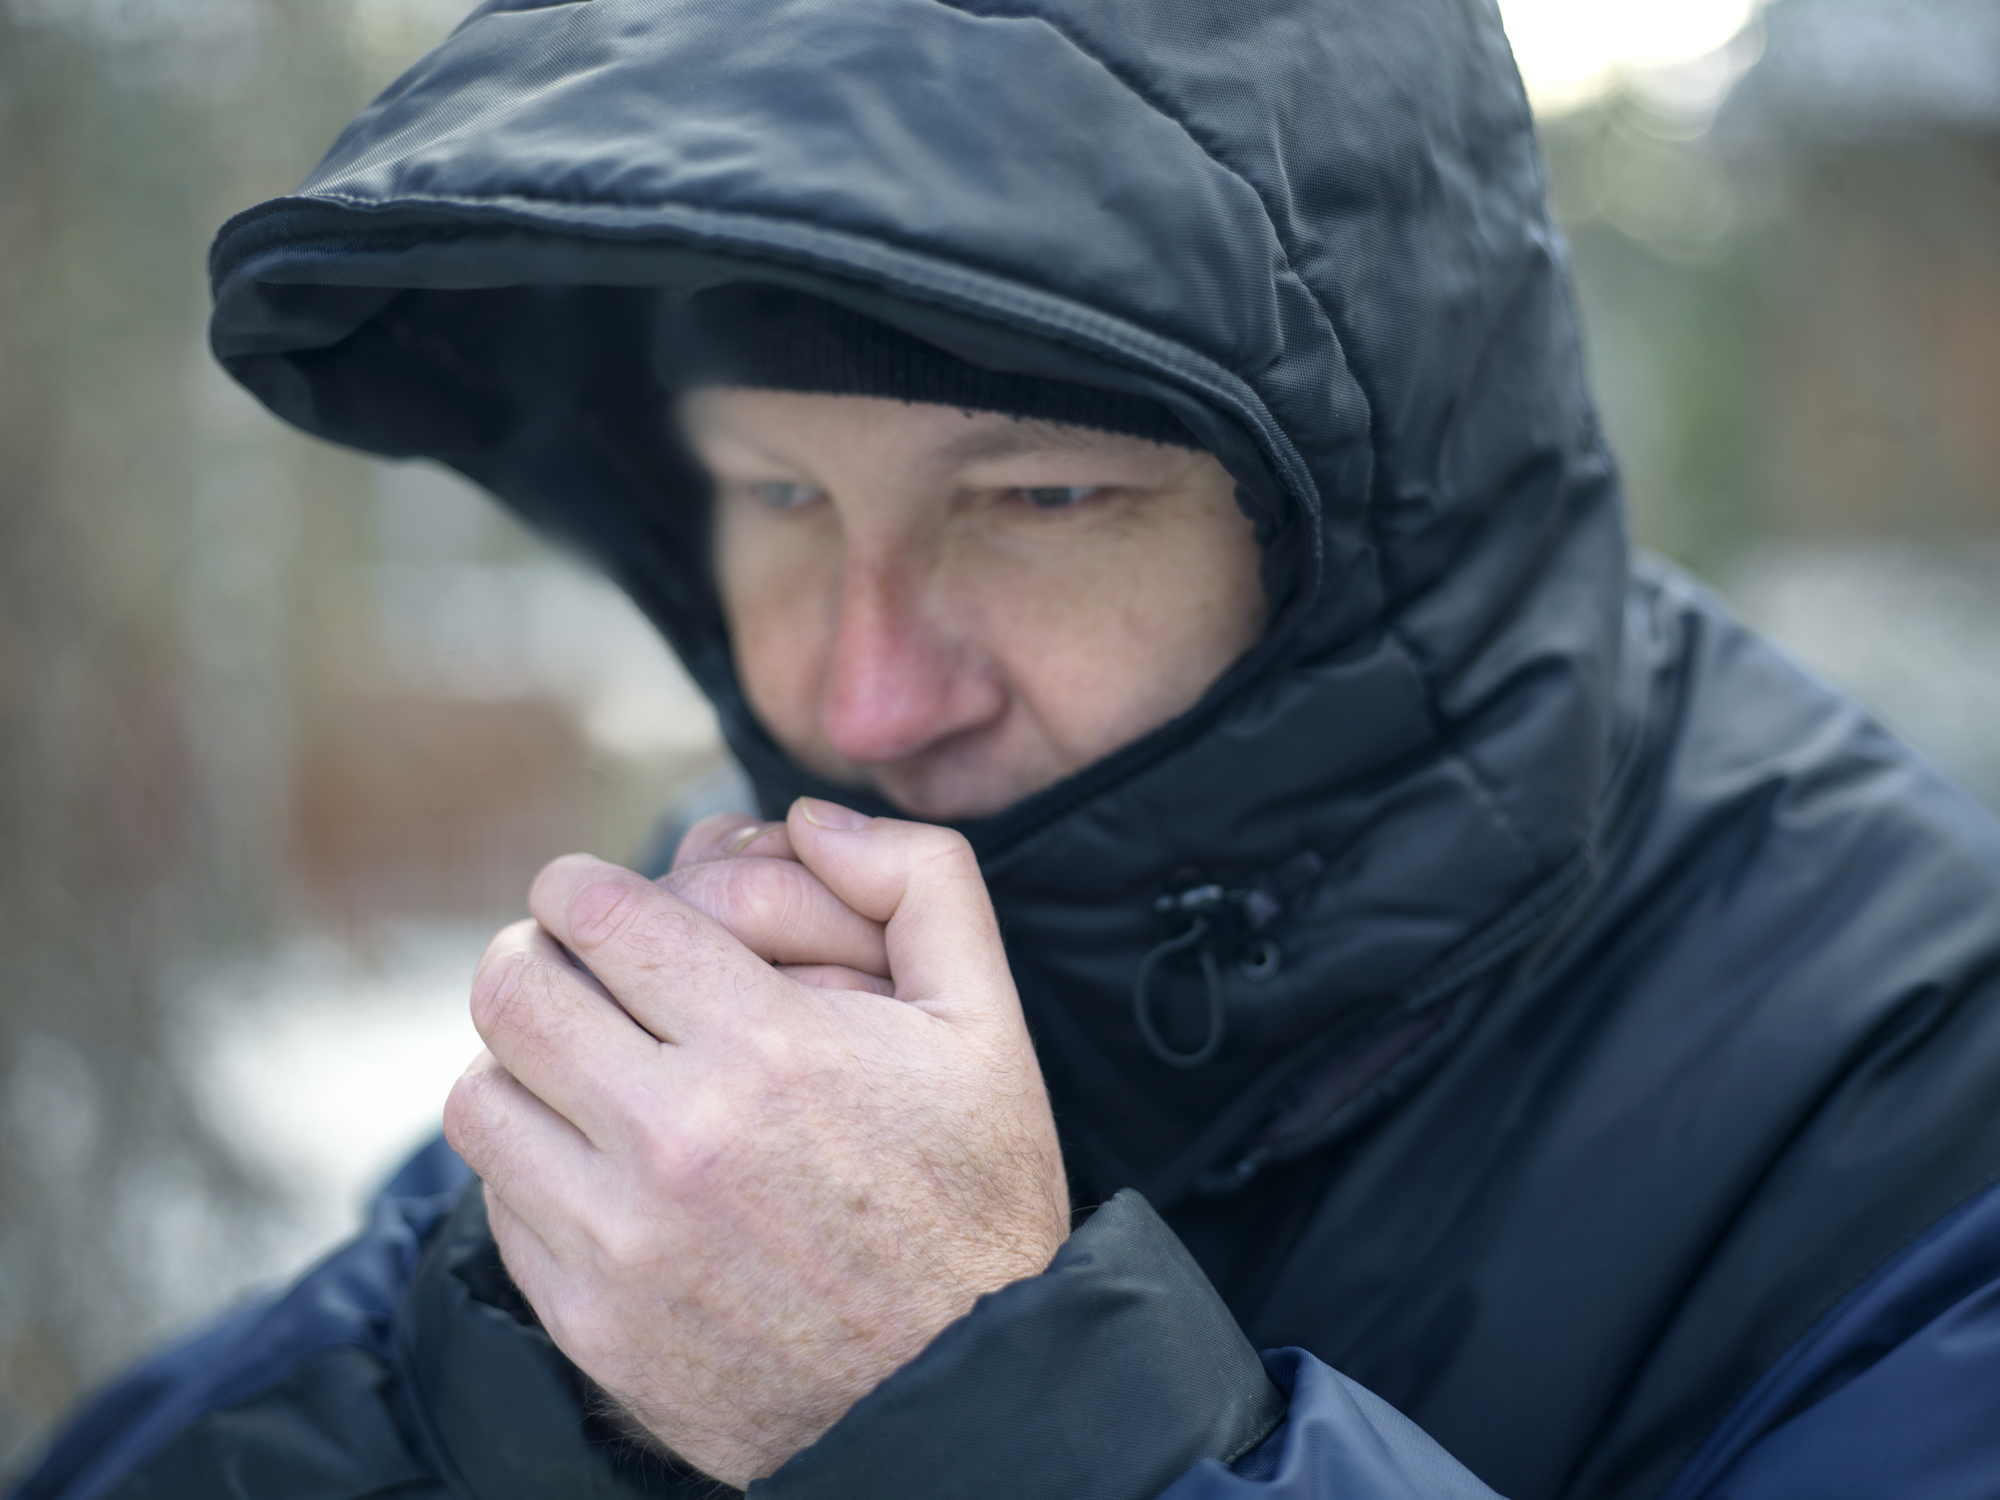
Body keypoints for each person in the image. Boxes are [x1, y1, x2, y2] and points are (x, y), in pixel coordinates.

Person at [14, 0, 2000, 1496]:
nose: (866, 700)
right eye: (777, 498)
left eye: (1039, 499)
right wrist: (546, 1351)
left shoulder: (1917, 1084)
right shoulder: (787, 924)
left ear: (1365, 511)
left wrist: (990, 1400)